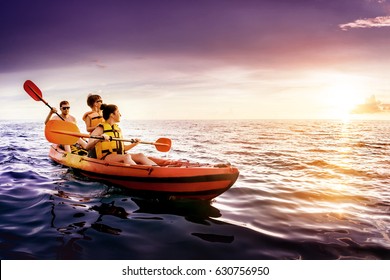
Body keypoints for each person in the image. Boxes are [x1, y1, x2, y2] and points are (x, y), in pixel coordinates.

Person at [84, 104, 156, 165]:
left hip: (118, 155)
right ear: (112, 115)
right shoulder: (100, 129)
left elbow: (123, 148)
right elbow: (87, 147)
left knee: (140, 155)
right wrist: (99, 139)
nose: (120, 115)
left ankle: (157, 169)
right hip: (106, 157)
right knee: (126, 156)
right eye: (118, 112)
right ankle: (141, 172)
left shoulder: (117, 129)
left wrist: (135, 144)